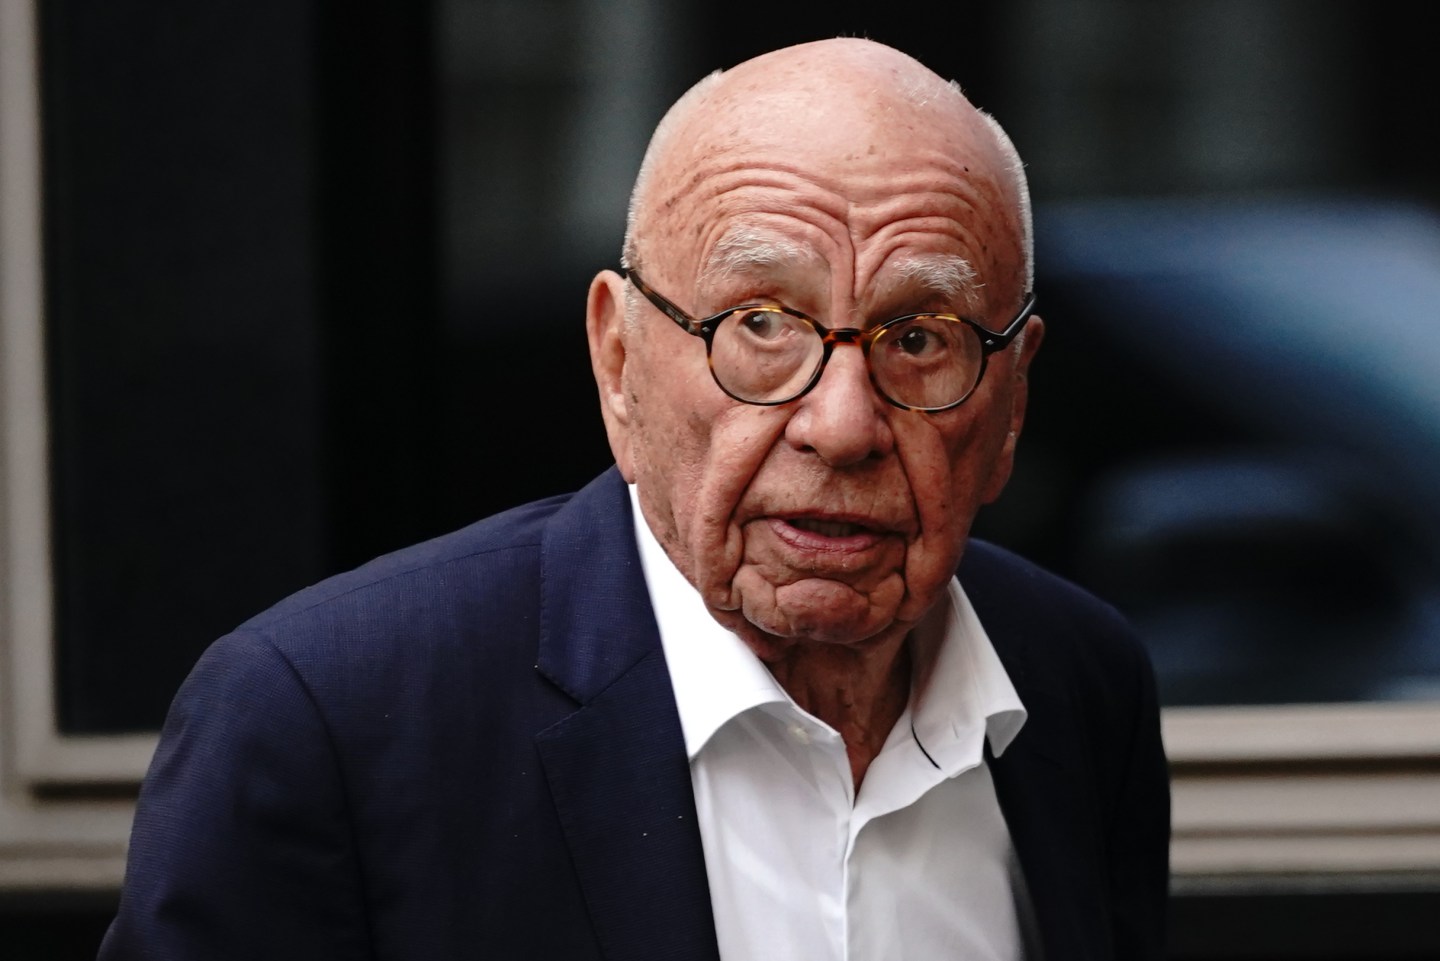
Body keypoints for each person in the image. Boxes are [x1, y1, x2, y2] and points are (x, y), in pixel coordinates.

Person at [99, 37, 1169, 961]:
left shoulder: (1078, 683)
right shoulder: (322, 720)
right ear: (618, 360)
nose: (842, 423)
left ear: (1012, 401)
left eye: (920, 338)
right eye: (760, 324)